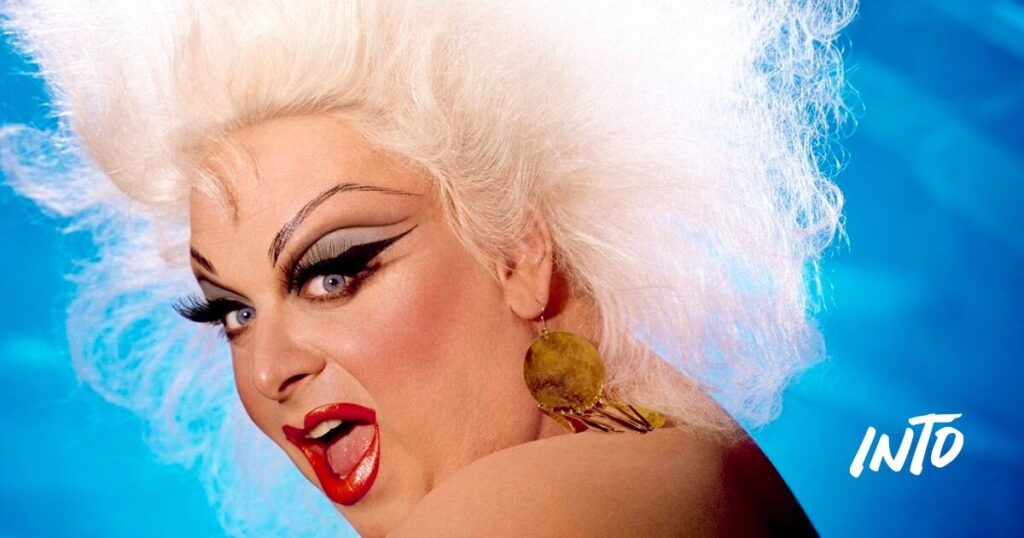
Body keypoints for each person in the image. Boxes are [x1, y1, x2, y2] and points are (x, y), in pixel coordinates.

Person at [0, 1, 855, 536]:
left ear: (517, 248)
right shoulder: (681, 453)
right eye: (232, 311)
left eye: (332, 274)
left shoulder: (517, 512)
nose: (267, 371)